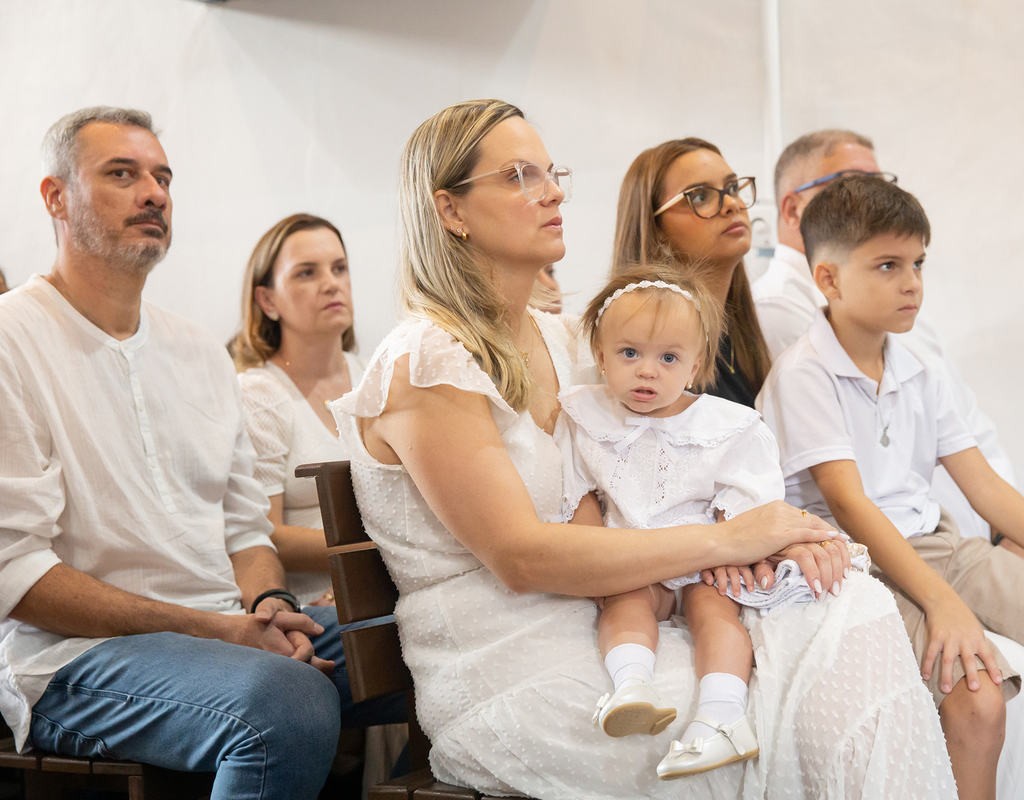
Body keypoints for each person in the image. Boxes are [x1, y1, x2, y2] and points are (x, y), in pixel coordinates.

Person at [330, 99, 956, 799]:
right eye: (518, 175)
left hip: (625, 624)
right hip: (516, 667)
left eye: (551, 172)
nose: (553, 190)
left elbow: (681, 462)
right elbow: (521, 557)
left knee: (844, 609)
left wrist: (771, 537)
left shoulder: (571, 340)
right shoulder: (426, 360)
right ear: (450, 210)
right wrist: (726, 543)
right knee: (758, 714)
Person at [755, 129, 1024, 800]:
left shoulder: (919, 366)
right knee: (979, 699)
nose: (912, 285)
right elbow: (851, 508)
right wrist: (945, 605)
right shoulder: (803, 374)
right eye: (888, 266)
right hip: (857, 565)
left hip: (941, 547)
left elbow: (980, 482)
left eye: (919, 264)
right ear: (829, 278)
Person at [0, 106, 395, 799]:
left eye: (162, 176)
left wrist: (267, 605)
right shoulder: (2, 341)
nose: (154, 193)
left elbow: (242, 528)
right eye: (122, 174)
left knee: (428, 641)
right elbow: (15, 580)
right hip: (75, 663)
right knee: (284, 704)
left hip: (221, 629)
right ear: (56, 197)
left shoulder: (199, 352)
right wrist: (217, 629)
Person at [565, 264, 794, 780]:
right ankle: (632, 687)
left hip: (703, 560)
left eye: (668, 358)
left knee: (716, 615)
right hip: (630, 558)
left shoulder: (724, 425)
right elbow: (575, 492)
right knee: (623, 604)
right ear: (600, 356)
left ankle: (721, 717)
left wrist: (731, 542)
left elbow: (753, 498)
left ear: (695, 366)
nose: (648, 371)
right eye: (630, 353)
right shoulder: (585, 416)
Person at [232, 213, 364, 606]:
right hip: (311, 605)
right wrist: (380, 547)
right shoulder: (259, 394)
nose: (331, 283)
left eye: (339, 268)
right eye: (307, 273)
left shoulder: (376, 376)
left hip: (389, 584)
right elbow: (263, 534)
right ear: (267, 300)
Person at [613, 138, 772, 408]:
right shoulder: (649, 361)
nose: (732, 204)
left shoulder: (740, 339)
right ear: (655, 228)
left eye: (733, 187)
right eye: (700, 196)